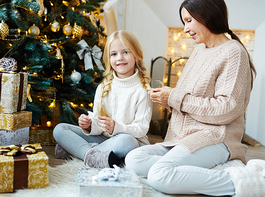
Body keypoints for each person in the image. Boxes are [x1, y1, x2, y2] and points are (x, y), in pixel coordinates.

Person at [125, 0, 261, 196]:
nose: (185, 29)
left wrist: (174, 97)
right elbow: (187, 97)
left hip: (215, 138)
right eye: (184, 22)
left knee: (159, 175)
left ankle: (246, 180)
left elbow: (226, 109)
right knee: (134, 160)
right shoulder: (199, 50)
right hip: (186, 137)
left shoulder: (233, 53)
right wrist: (168, 98)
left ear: (207, 15)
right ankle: (207, 168)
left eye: (189, 21)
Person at [53, 30, 153, 168]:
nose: (119, 58)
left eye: (125, 52)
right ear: (109, 58)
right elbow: (99, 122)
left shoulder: (143, 90)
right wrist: (89, 125)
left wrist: (116, 128)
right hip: (103, 139)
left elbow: (141, 129)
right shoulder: (103, 87)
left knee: (128, 142)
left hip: (127, 141)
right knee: (60, 129)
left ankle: (78, 151)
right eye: (114, 54)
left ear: (136, 54)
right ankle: (94, 155)